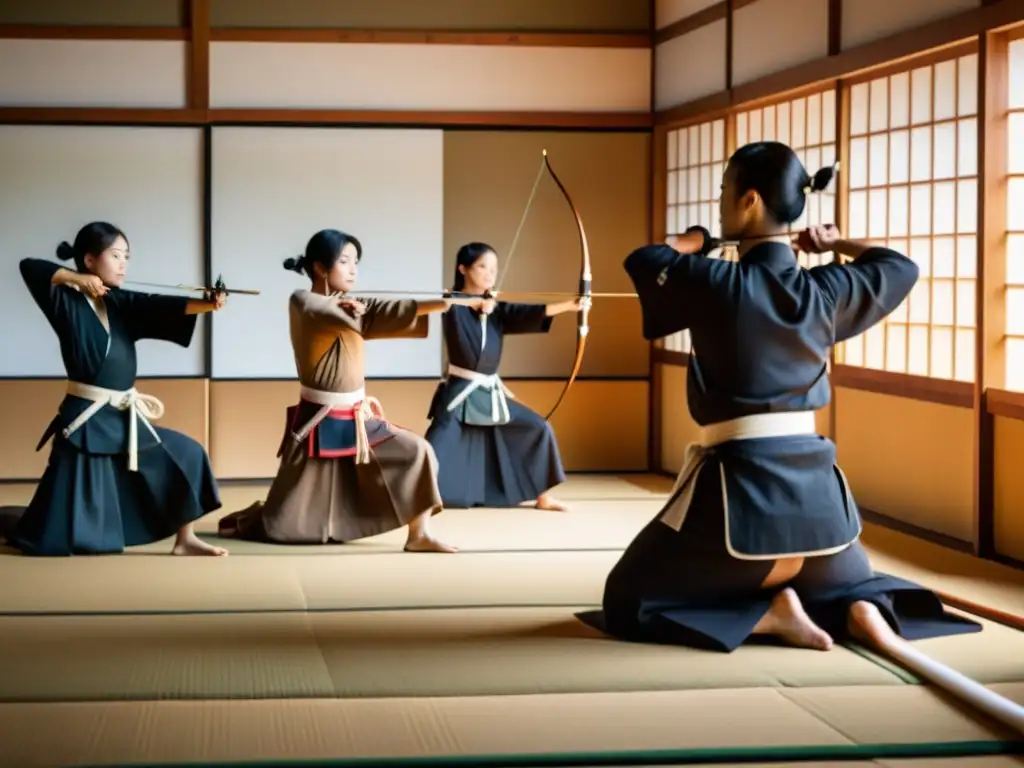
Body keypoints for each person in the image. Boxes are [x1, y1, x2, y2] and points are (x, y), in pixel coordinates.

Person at [578, 141, 982, 653]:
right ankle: (856, 606)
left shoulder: (716, 280)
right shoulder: (827, 288)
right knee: (850, 577)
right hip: (821, 505)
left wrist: (696, 240)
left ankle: (769, 614)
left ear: (749, 202)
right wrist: (839, 243)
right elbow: (899, 266)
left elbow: (646, 259)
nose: (720, 200)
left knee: (628, 598)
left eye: (725, 191)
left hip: (738, 492)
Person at [216, 229, 493, 553]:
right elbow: (321, 310)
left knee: (419, 452)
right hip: (319, 421)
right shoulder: (302, 301)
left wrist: (459, 300)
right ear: (320, 267)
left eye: (356, 262)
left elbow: (391, 308)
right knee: (284, 520)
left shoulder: (355, 307)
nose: (353, 269)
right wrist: (347, 309)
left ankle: (418, 535)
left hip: (357, 418)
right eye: (345, 261)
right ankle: (255, 519)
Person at [10, 221, 228, 557]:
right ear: (89, 260)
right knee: (65, 532)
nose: (124, 263)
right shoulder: (63, 300)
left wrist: (208, 303)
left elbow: (157, 305)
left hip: (122, 415)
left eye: (127, 256)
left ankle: (185, 539)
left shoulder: (119, 303)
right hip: (86, 418)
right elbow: (29, 266)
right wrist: (74, 279)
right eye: (116, 255)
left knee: (188, 454)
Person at [423, 242, 586, 511]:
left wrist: (571, 305)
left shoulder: (496, 309)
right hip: (460, 390)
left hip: (489, 391)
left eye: (494, 269)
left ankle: (542, 497)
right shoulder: (451, 302)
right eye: (482, 266)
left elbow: (530, 313)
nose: (490, 273)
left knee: (538, 427)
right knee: (436, 444)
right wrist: (477, 302)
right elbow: (448, 302)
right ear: (462, 269)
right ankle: (418, 498)